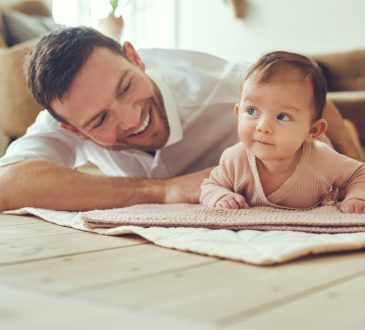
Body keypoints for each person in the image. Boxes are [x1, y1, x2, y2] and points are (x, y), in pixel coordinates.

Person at [0, 27, 361, 212]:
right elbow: (8, 184)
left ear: (133, 57)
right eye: (99, 120)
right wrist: (163, 190)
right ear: (71, 129)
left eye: (126, 87)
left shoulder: (219, 87)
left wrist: (355, 162)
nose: (131, 119)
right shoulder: (66, 114)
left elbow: (309, 99)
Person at [200, 51, 365, 213]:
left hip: (320, 145)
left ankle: (341, 131)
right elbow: (210, 185)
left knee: (336, 164)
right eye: (251, 111)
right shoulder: (235, 159)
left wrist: (357, 197)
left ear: (313, 130)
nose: (262, 126)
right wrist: (219, 196)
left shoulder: (323, 160)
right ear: (237, 113)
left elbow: (359, 173)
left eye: (282, 117)